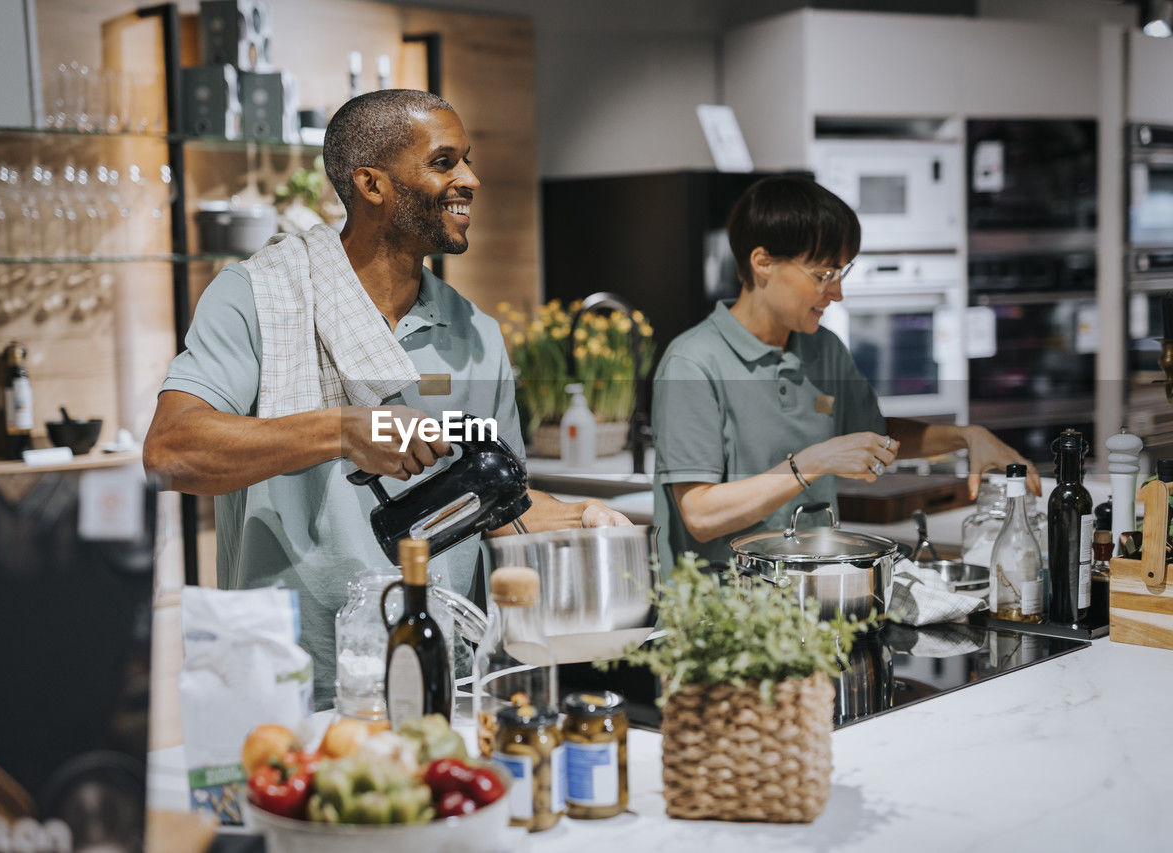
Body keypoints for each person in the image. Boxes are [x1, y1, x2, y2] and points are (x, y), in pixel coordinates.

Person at [144, 89, 627, 709]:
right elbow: (171, 451)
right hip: (296, 682)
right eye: (444, 162)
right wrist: (344, 431)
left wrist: (582, 519)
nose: (470, 179)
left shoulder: (474, 334)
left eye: (468, 160)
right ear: (372, 185)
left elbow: (496, 505)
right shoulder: (257, 299)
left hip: (448, 680)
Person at [652, 175, 1038, 569]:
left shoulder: (823, 348)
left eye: (841, 273)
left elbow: (875, 436)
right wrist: (811, 463)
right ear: (763, 262)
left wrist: (966, 437)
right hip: (719, 618)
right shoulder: (693, 362)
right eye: (822, 275)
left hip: (814, 599)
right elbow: (700, 515)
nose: (836, 293)